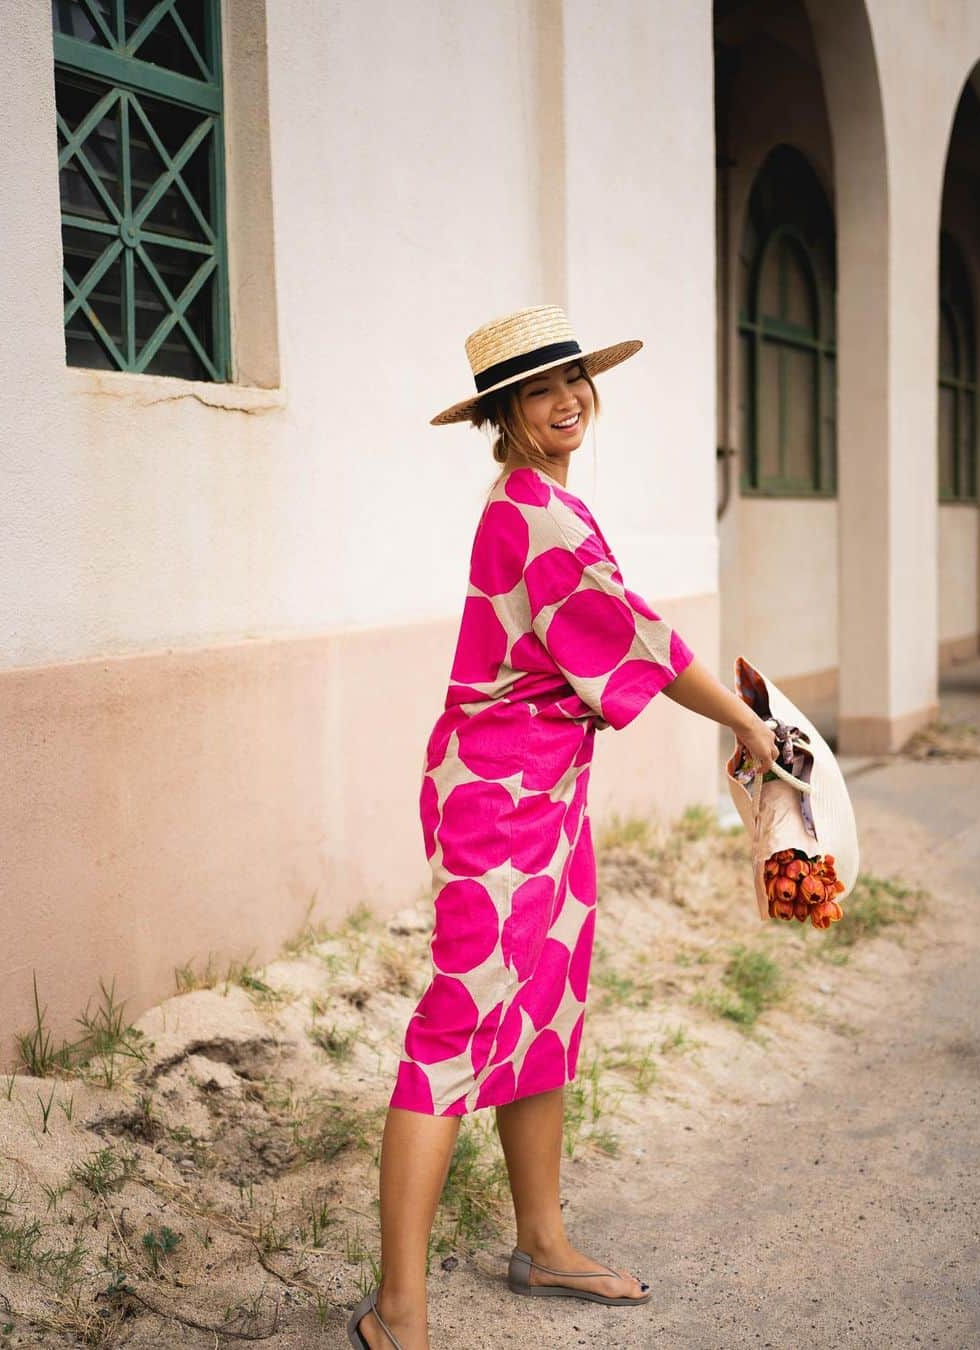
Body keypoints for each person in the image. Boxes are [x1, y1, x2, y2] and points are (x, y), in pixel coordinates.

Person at [347, 305, 778, 1350]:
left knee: (541, 1011)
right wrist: (745, 723)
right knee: (456, 1031)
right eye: (540, 390)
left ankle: (542, 1242)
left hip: (545, 791)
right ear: (503, 413)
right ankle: (396, 1310)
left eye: (575, 379)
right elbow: (639, 639)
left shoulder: (548, 503)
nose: (567, 399)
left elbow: (616, 633)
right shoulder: (535, 515)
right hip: (498, 802)